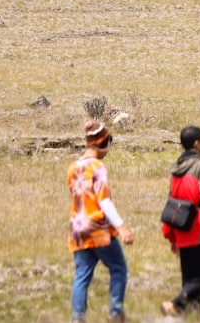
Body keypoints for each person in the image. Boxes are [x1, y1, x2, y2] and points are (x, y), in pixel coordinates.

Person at [68, 121, 135, 323]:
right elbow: (103, 200)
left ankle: (78, 317)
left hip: (77, 228)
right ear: (103, 143)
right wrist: (121, 226)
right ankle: (116, 312)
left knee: (82, 275)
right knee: (118, 268)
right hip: (97, 228)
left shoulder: (73, 167)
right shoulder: (98, 168)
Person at [161, 125, 200, 316]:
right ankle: (175, 303)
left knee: (190, 280)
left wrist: (172, 236)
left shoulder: (176, 170)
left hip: (182, 229)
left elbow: (171, 203)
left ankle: (192, 318)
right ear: (196, 143)